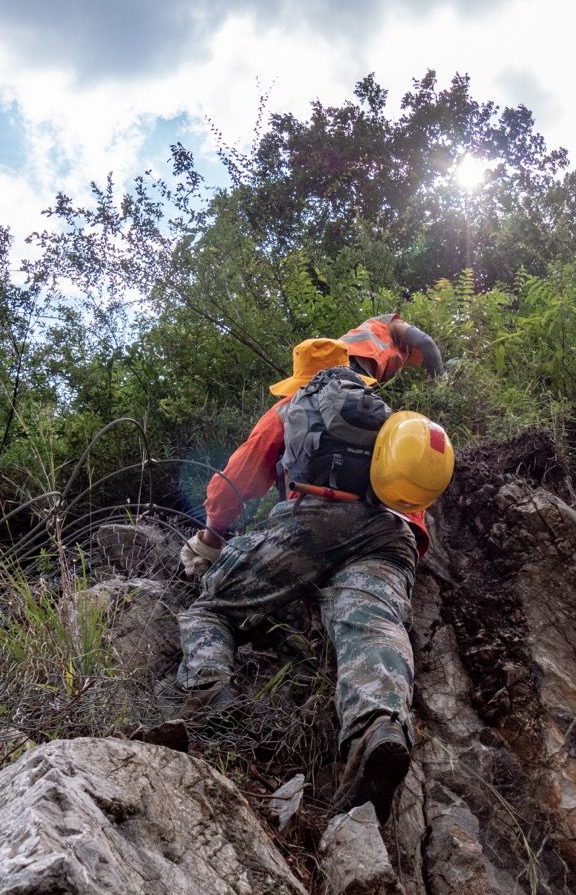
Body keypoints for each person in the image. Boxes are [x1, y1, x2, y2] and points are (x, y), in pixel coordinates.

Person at [177, 337, 438, 821]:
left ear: (300, 378)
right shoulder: (380, 410)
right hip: (389, 533)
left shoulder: (293, 405)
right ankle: (377, 727)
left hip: (313, 520)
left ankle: (210, 690)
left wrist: (213, 535)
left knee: (209, 607)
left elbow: (238, 480)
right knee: (372, 622)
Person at [341, 313, 444, 385]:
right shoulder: (395, 324)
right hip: (352, 359)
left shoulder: (397, 355)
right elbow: (426, 343)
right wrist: (439, 381)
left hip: (335, 362)